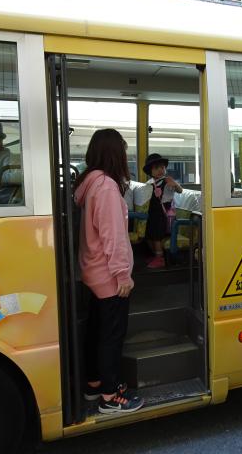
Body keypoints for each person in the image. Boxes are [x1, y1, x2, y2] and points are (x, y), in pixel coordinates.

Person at [73, 128, 143, 414]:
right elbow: (113, 235)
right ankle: (110, 396)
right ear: (115, 153)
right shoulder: (106, 187)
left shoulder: (90, 182)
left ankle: (95, 384)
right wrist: (122, 274)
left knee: (96, 331)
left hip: (92, 271)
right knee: (111, 336)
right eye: (123, 149)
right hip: (108, 275)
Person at [142, 153, 182, 269]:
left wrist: (175, 185)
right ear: (150, 171)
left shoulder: (167, 181)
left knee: (157, 236)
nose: (160, 170)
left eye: (162, 167)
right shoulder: (150, 183)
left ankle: (160, 259)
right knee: (149, 235)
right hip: (152, 213)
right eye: (156, 168)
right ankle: (155, 254)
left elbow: (180, 190)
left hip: (162, 214)